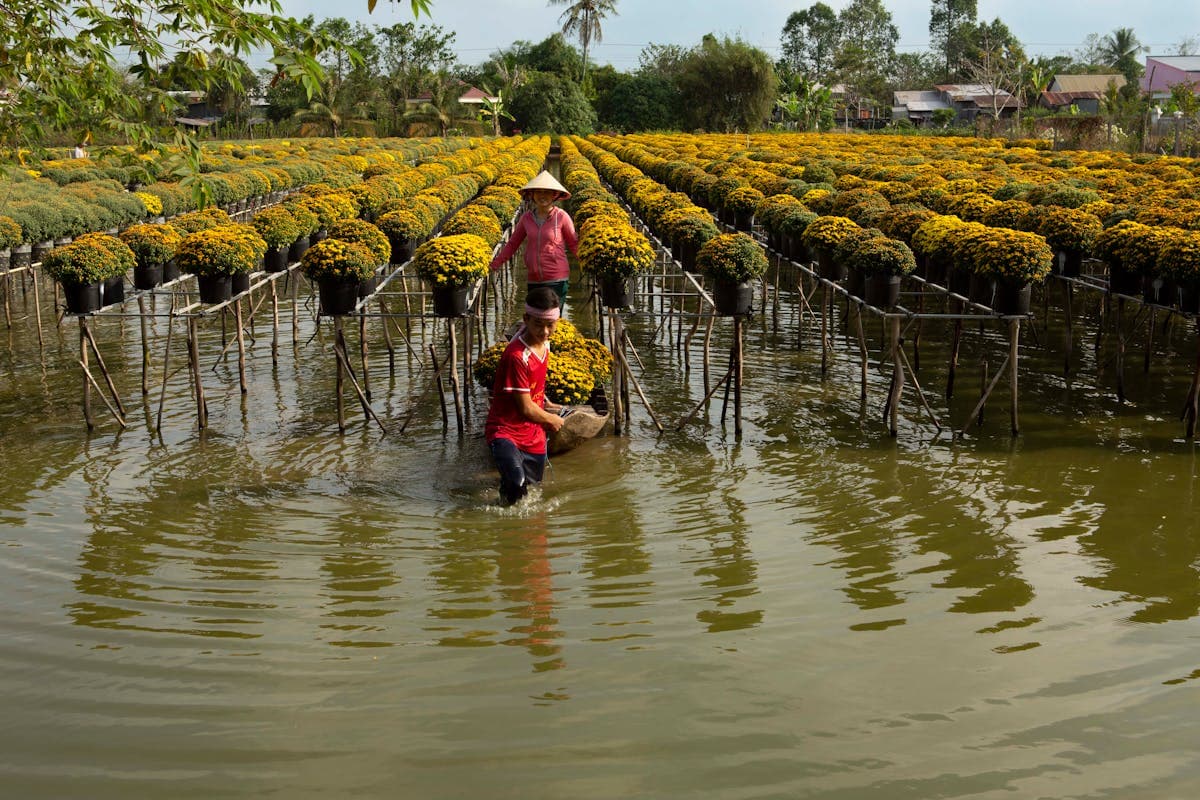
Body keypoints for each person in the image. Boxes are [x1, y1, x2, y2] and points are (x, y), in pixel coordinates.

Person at [484, 286, 567, 505]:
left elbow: (535, 385)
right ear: (526, 319)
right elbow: (525, 408)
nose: (545, 332)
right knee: (517, 484)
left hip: (533, 435)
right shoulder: (517, 356)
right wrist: (552, 419)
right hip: (506, 431)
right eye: (538, 324)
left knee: (531, 492)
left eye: (550, 325)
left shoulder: (545, 345)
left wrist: (546, 403)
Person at [489, 170, 578, 308]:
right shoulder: (526, 218)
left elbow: (573, 243)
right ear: (532, 195)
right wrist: (496, 263)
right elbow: (513, 244)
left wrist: (588, 263)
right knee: (535, 315)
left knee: (552, 317)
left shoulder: (561, 217)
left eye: (547, 192)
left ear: (554, 195)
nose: (542, 196)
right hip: (534, 278)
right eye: (539, 192)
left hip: (557, 277)